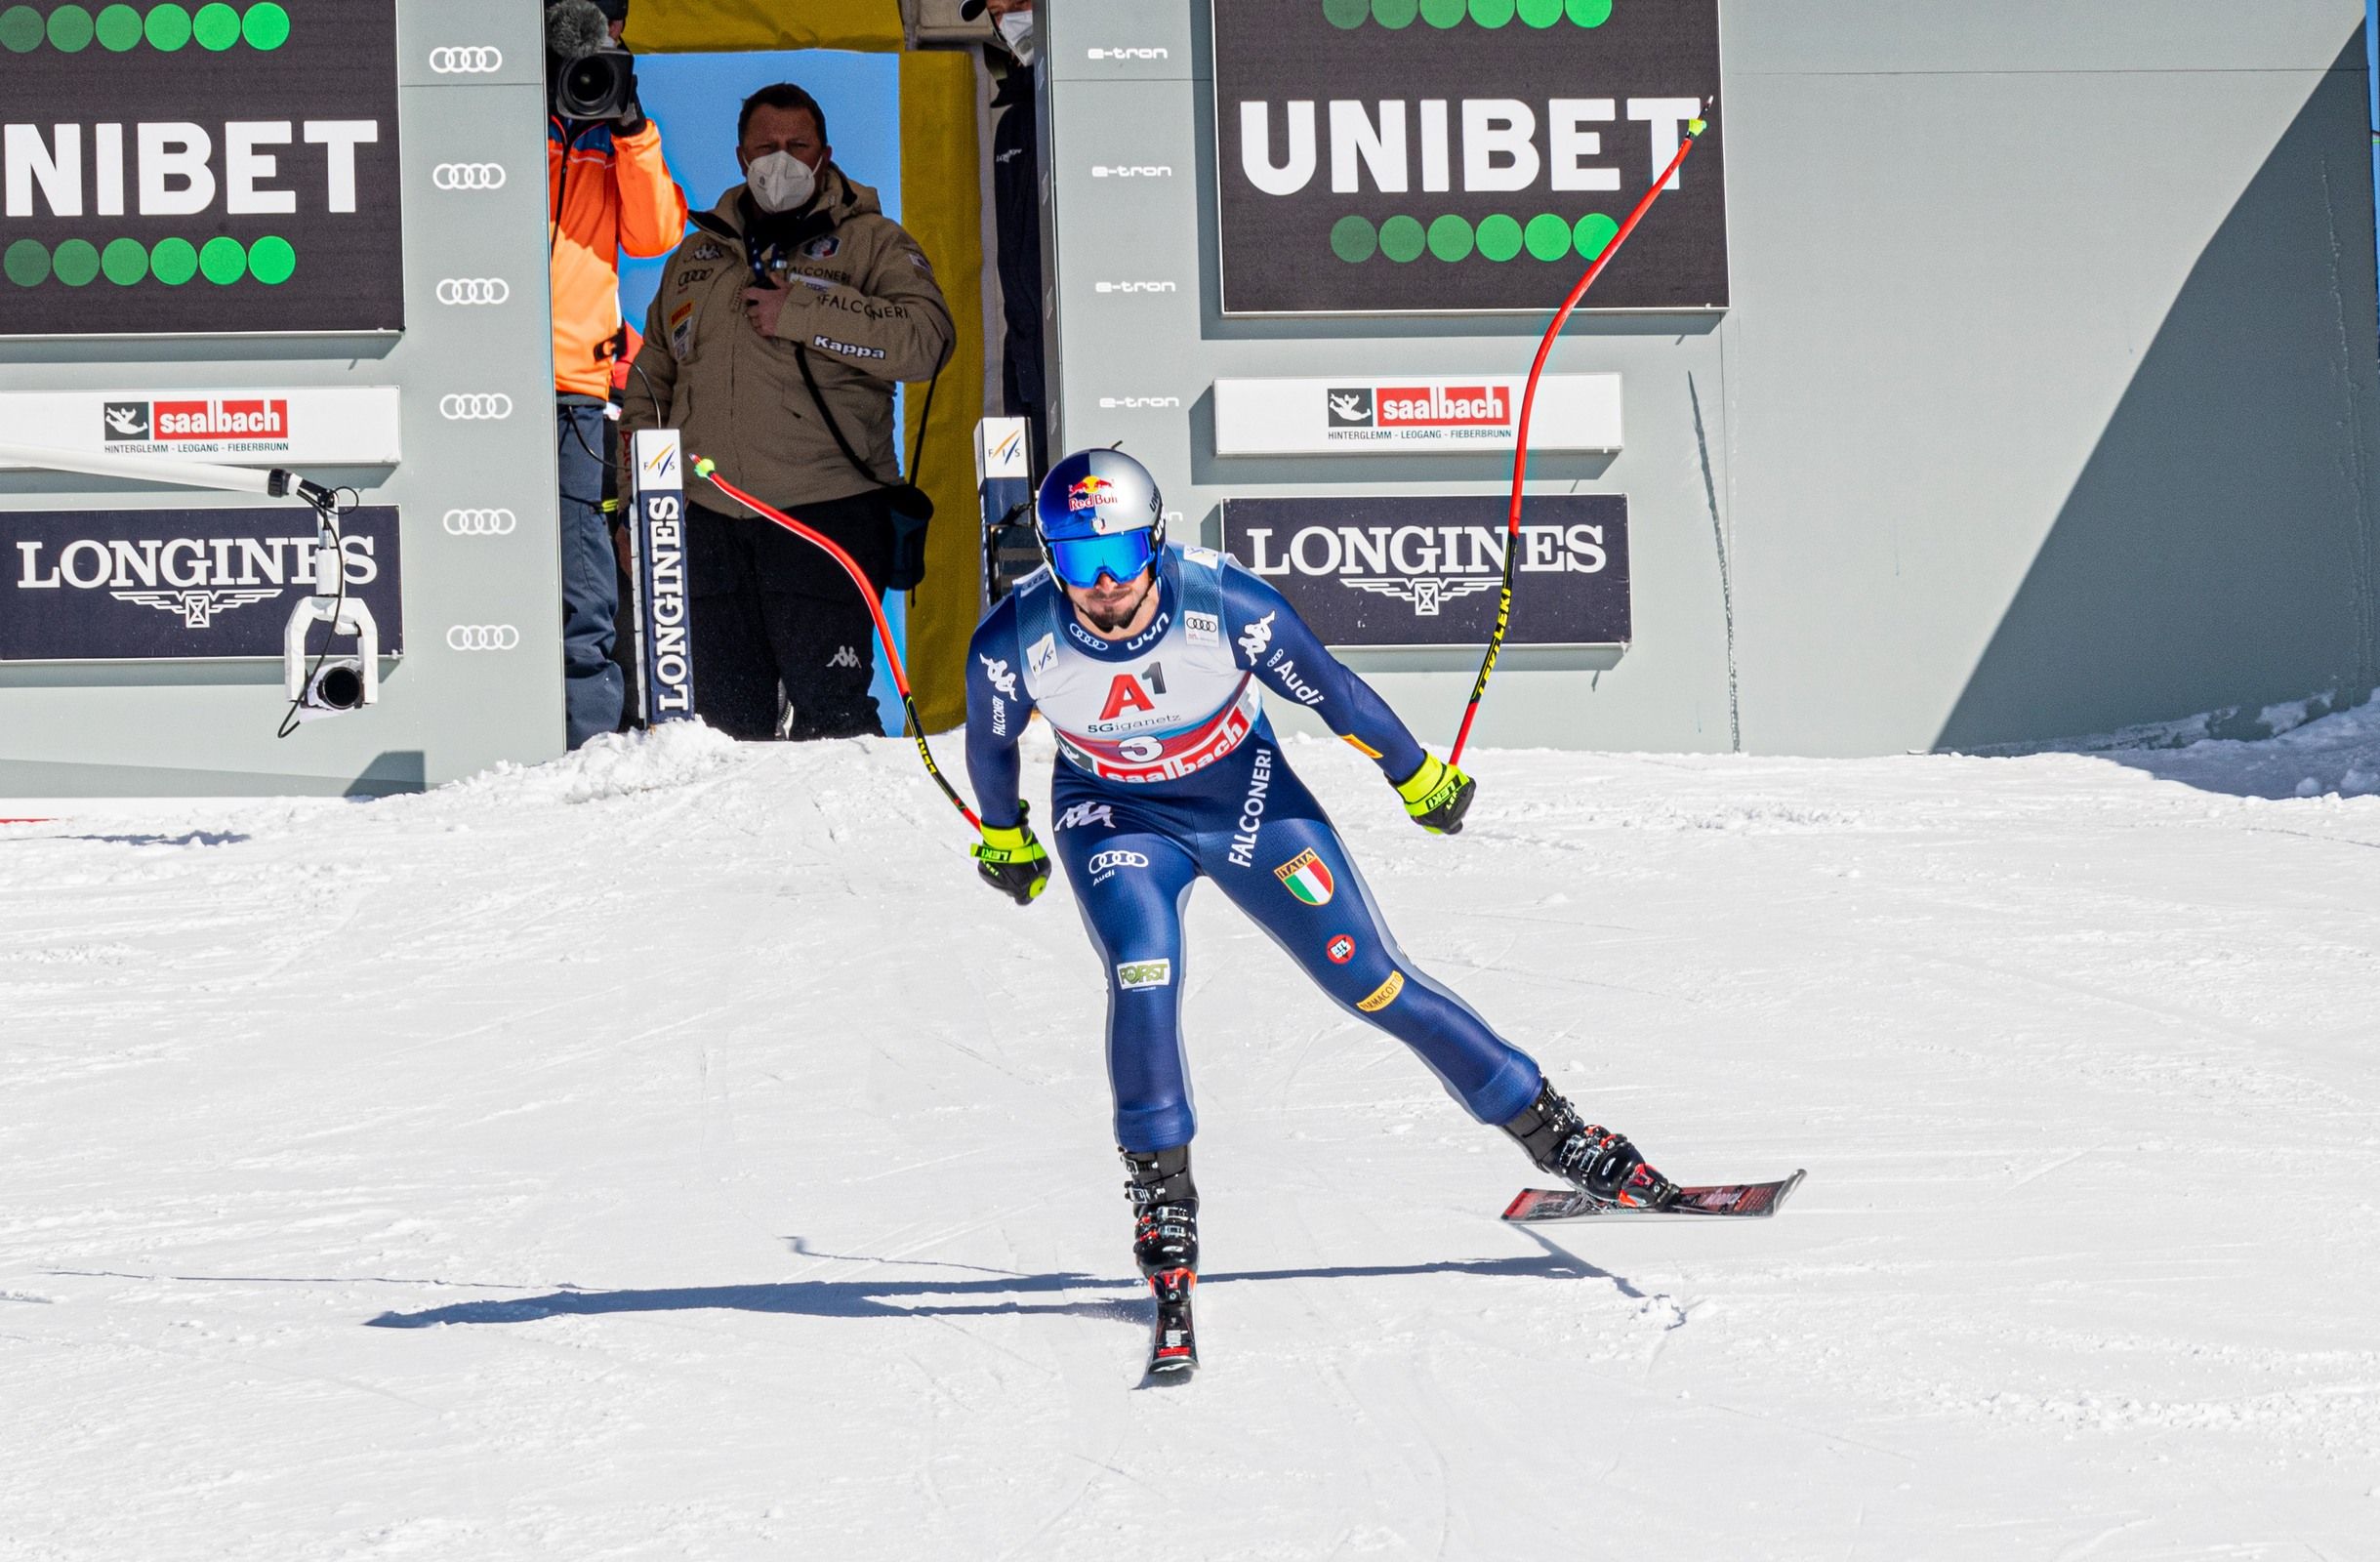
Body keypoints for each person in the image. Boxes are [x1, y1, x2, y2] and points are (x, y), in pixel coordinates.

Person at [961, 449, 1680, 1364]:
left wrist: (1416, 775)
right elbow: (990, 746)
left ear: (1155, 541)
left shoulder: (1228, 608)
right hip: (1116, 815)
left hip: (1245, 800)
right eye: (1076, 563)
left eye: (1119, 559)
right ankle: (1162, 1206)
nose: (1101, 588)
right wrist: (1005, 833)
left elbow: (1331, 692)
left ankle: (1556, 1134)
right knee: (1144, 970)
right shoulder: (1016, 637)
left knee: (1370, 981)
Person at [619, 84, 955, 741]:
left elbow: (927, 341)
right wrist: (639, 506)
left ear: (825, 154)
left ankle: (851, 844)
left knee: (834, 722)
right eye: (766, 147)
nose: (781, 161)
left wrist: (802, 312)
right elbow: (650, 383)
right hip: (707, 523)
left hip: (826, 513)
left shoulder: (872, 243)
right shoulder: (696, 256)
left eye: (796, 147)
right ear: (740, 155)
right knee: (722, 731)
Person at [547, 0, 688, 748]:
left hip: (576, 384)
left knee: (583, 573)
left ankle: (591, 740)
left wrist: (629, 121)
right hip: (476, 368)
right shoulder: (496, 105)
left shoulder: (615, 120)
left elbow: (657, 232)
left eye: (604, 27)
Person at [966, 0, 1047, 475]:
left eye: (1020, 3)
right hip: (1035, 381)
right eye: (997, 12)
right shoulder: (1014, 121)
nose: (1009, 19)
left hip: (1111, 366)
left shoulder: (1113, 87)